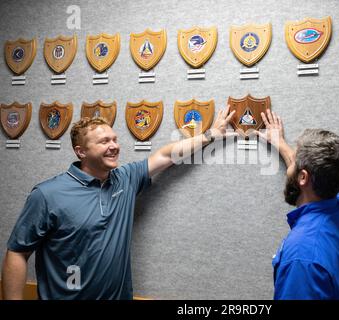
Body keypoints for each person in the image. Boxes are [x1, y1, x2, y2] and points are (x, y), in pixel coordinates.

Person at [1, 106, 236, 300]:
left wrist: (211, 134)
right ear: (81, 152)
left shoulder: (126, 179)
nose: (114, 145)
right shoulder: (47, 194)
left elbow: (166, 155)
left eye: (114, 139)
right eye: (104, 141)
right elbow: (18, 252)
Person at [257, 109, 339, 300]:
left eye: (294, 164)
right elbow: (309, 172)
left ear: (303, 177)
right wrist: (281, 144)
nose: (290, 165)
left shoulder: (302, 258)